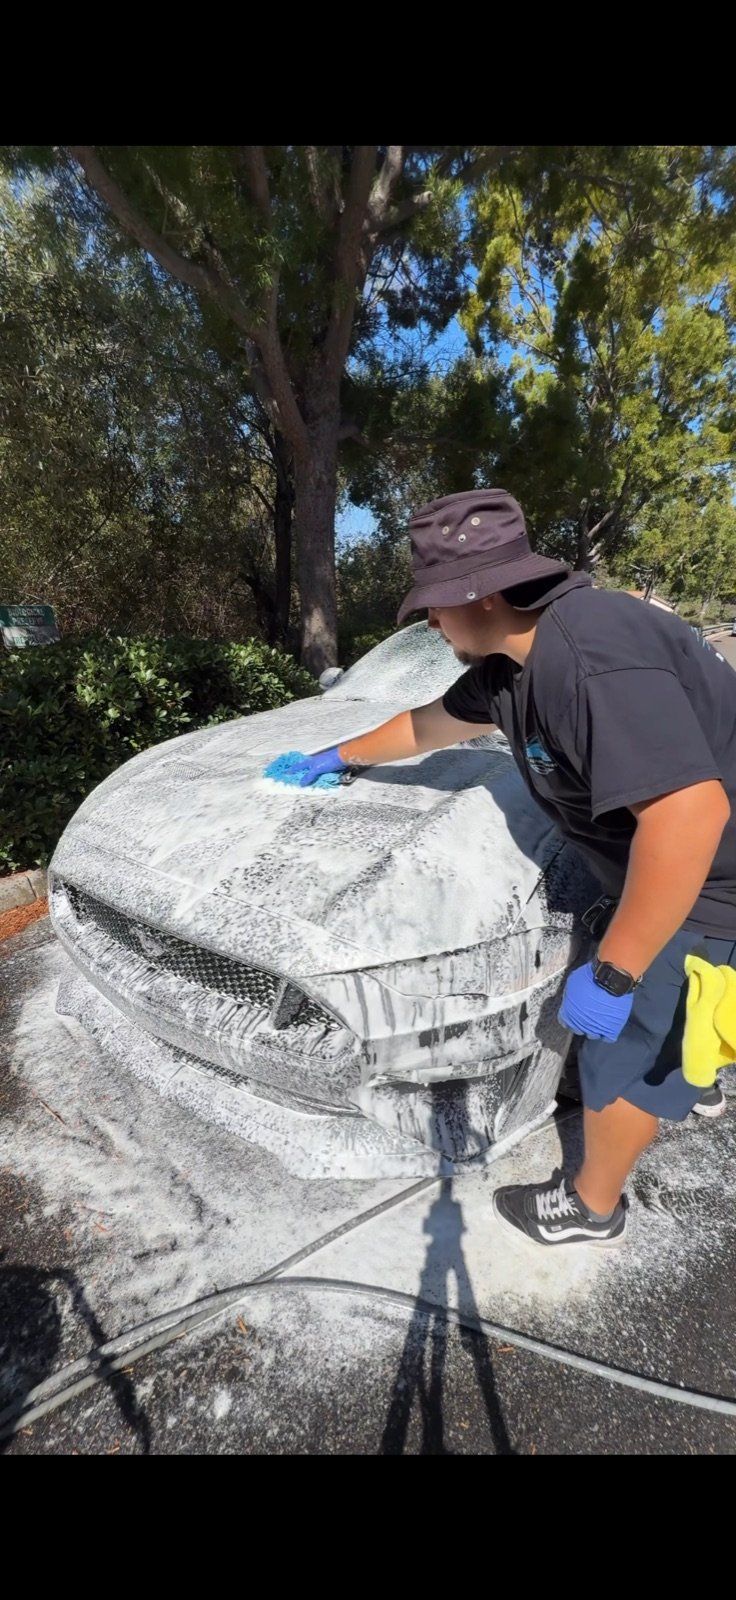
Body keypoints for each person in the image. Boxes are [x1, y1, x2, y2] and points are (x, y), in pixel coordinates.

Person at [280, 489, 736, 1247]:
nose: (429, 622)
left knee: (622, 1049)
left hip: (708, 880)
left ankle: (591, 1207)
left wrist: (619, 972)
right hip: (669, 865)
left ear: (481, 596)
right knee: (680, 1020)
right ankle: (695, 1073)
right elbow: (429, 724)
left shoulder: (591, 657)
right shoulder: (511, 665)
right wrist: (339, 755)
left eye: (433, 605)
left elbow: (690, 819)